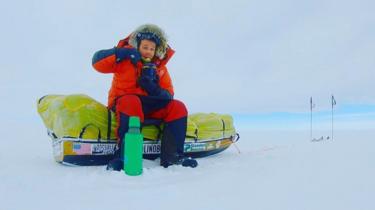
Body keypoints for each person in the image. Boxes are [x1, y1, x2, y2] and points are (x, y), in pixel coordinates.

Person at [92, 24, 197, 171]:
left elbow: (169, 95)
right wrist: (122, 53)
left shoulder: (160, 69)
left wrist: (152, 88)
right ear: (137, 45)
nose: (148, 51)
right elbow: (97, 63)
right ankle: (123, 156)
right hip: (124, 103)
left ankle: (173, 157)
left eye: (152, 49)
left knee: (178, 107)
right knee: (131, 101)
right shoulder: (123, 60)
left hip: (150, 106)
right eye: (145, 47)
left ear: (156, 51)